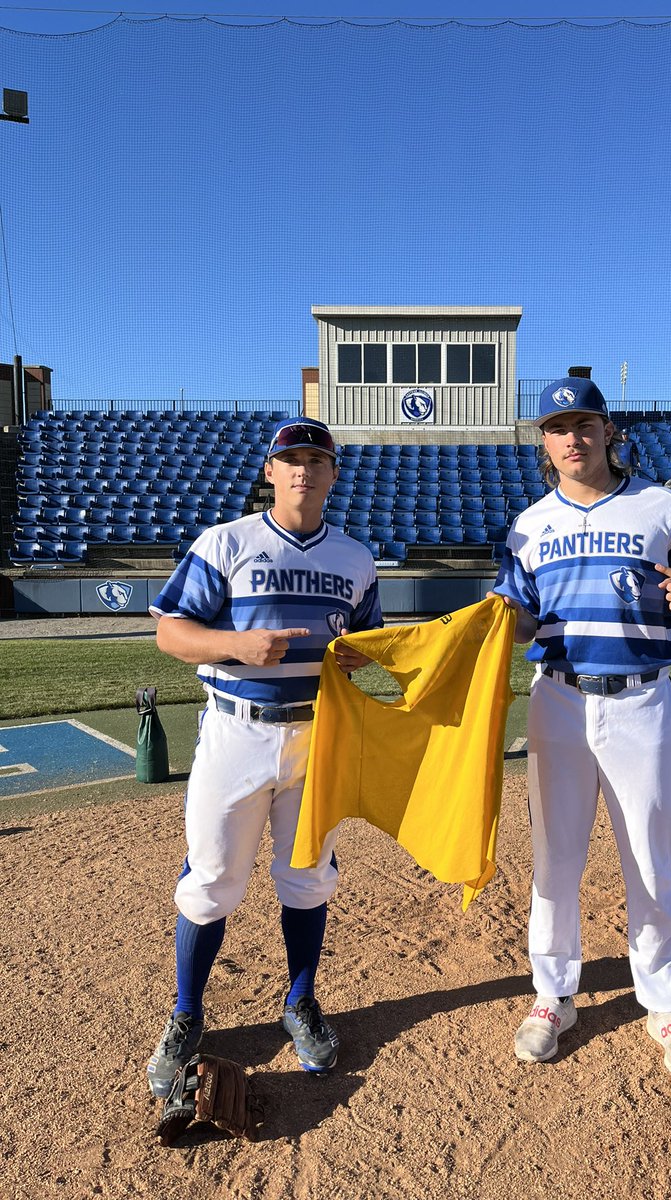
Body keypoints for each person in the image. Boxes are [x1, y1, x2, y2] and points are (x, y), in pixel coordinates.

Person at [489, 376, 671, 1084]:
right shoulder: (529, 525)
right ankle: (553, 996)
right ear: (545, 440)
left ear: (607, 429)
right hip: (557, 701)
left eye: (584, 423)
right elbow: (520, 618)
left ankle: (666, 1005)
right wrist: (492, 624)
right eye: (558, 427)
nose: (572, 438)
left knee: (650, 858)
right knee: (555, 858)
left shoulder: (662, 506)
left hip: (640, 701)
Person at [146, 416, 380, 1099]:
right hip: (235, 731)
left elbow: (362, 644)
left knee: (306, 875)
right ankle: (187, 1014)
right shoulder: (227, 543)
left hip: (317, 735)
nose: (304, 469)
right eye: (291, 459)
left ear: (334, 475)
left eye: (317, 459)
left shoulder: (356, 559)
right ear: (271, 472)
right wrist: (234, 646)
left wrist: (363, 654)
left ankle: (300, 1002)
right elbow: (170, 633)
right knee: (213, 879)